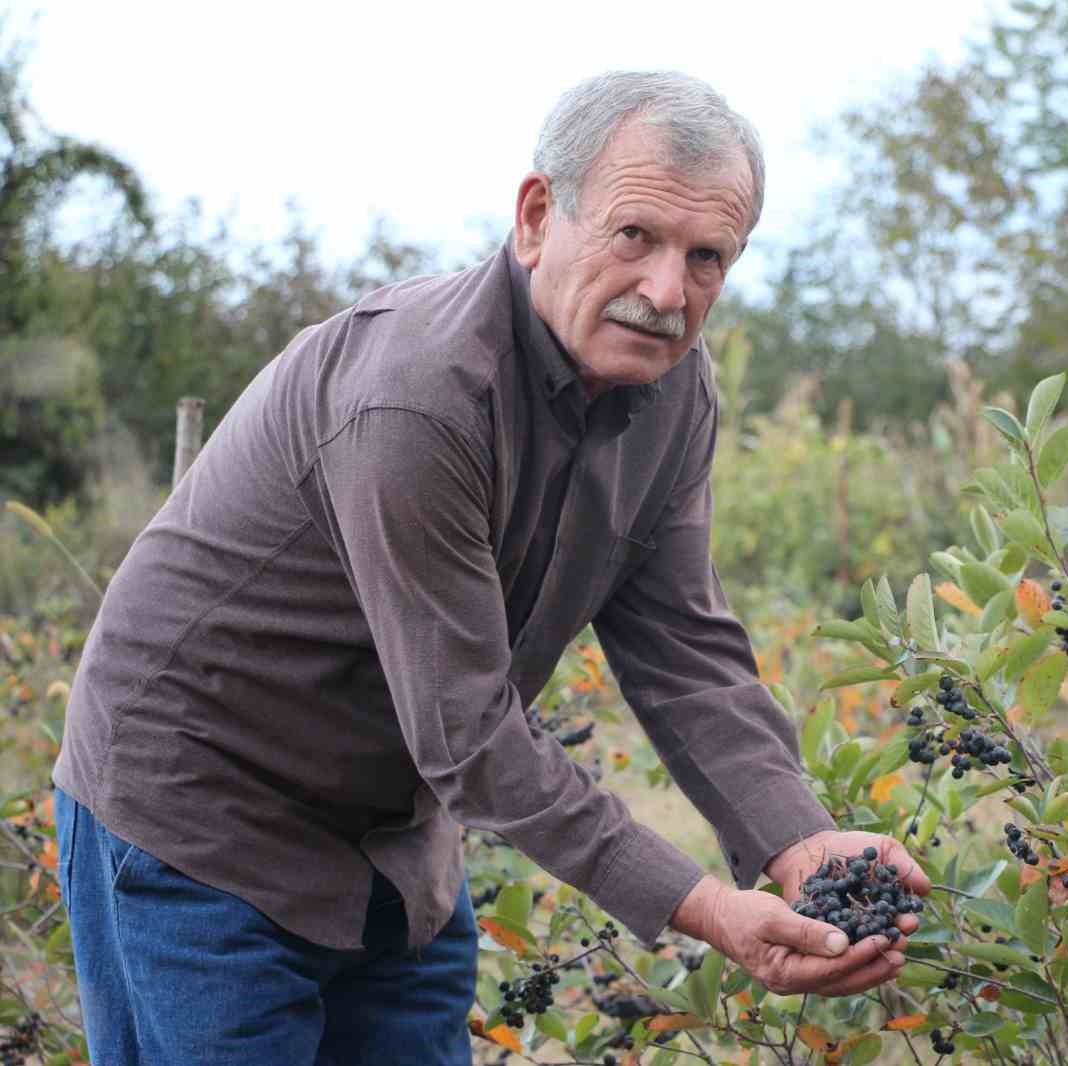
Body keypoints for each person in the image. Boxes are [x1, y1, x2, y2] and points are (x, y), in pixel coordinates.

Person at [51, 70, 928, 1065]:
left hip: (393, 843)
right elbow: (467, 729)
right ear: (537, 215)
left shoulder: (676, 396)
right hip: (198, 821)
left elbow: (684, 649)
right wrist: (701, 905)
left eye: (707, 257)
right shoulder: (416, 402)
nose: (666, 292)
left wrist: (797, 839)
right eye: (634, 235)